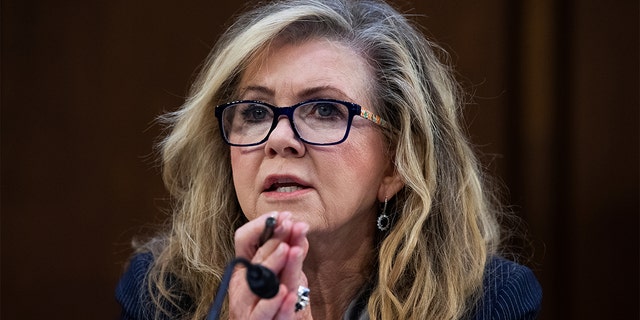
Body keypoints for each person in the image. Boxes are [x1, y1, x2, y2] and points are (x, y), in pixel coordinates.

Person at [116, 0, 542, 319]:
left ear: (396, 163)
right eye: (256, 112)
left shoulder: (488, 302)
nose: (280, 139)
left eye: (324, 110)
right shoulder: (162, 296)